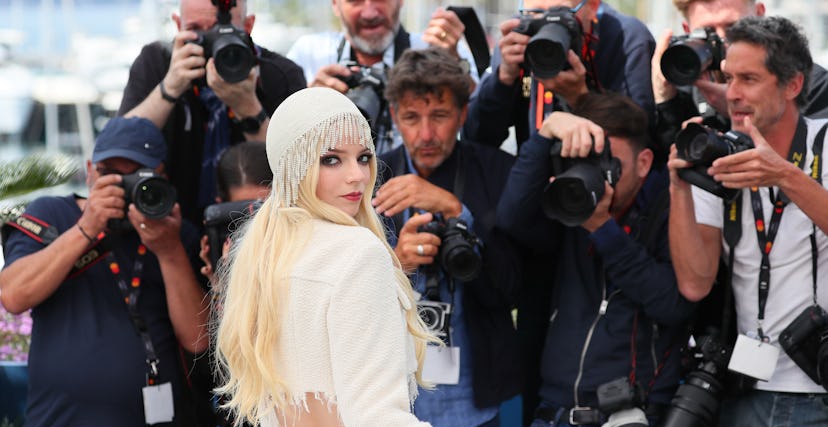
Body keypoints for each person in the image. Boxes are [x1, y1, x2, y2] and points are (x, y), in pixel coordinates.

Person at [212, 86, 568, 427]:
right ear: (294, 165)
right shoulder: (358, 252)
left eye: (364, 157)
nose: (357, 175)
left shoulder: (267, 251)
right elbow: (377, 421)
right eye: (331, 159)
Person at [667, 16, 828, 427]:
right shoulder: (723, 157)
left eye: (749, 79)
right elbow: (695, 283)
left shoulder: (824, 144)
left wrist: (786, 176)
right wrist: (680, 186)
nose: (731, 93)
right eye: (728, 77)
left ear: (793, 83)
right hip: (745, 395)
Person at [497, 91, 694, 427]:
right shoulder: (565, 208)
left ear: (643, 163)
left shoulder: (673, 212)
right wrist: (545, 133)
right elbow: (511, 218)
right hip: (551, 419)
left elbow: (674, 302)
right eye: (588, 162)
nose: (596, 176)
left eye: (609, 164)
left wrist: (603, 231)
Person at [0, 117, 209, 427]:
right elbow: (13, 295)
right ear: (89, 171)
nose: (124, 186)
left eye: (138, 175)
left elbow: (197, 338)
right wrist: (86, 227)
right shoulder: (50, 215)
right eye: (111, 174)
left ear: (162, 176)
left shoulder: (176, 232)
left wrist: (170, 250)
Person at [372, 48, 521, 427]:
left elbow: (511, 289)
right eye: (411, 118)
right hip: (384, 406)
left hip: (474, 404)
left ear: (462, 114)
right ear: (393, 117)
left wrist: (457, 211)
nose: (425, 135)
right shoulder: (368, 179)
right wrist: (396, 265)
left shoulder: (498, 172)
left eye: (439, 116)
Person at [118, 0, 306, 228]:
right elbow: (120, 149)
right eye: (196, 30)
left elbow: (300, 175)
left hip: (259, 225)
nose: (211, 42)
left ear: (248, 26)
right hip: (168, 221)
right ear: (178, 25)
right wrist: (170, 88)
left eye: (222, 30)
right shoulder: (157, 63)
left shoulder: (279, 74)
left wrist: (249, 108)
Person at [286, 0, 479, 155]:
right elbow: (280, 147)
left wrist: (456, 69)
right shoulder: (309, 55)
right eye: (355, 1)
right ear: (335, 5)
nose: (369, 13)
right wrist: (307, 107)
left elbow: (478, 129)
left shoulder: (436, 50)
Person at [463, 0, 656, 151]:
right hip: (535, 175)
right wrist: (503, 78)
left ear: (592, 6)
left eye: (561, 13)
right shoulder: (517, 37)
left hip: (604, 179)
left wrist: (581, 99)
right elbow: (476, 139)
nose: (547, 23)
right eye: (536, 13)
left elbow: (638, 143)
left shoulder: (626, 38)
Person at [651, 0, 828, 154]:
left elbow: (812, 164)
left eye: (733, 28)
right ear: (688, 30)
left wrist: (742, 110)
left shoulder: (808, 81)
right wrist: (665, 99)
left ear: (760, 14)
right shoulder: (685, 83)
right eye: (707, 31)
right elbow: (674, 164)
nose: (721, 41)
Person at [195, 141, 271, 427]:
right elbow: (217, 344)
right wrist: (220, 284)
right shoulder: (218, 244)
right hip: (242, 404)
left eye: (259, 212)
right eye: (237, 217)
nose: (249, 229)